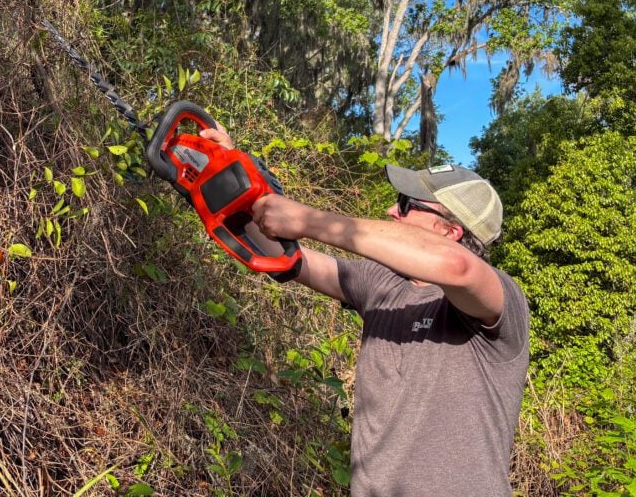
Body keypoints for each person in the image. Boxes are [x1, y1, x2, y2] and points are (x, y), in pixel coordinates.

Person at [200, 126, 530, 496]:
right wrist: (229, 175)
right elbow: (289, 260)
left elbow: (458, 267)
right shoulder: (382, 284)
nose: (392, 210)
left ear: (449, 231)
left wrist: (309, 220)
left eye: (406, 205)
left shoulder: (502, 299)